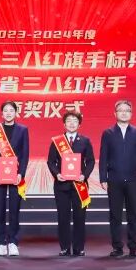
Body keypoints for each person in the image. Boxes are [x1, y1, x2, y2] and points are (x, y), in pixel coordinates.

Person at [98, 100, 136, 258]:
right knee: (115, 215)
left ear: (131, 114)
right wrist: (103, 178)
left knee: (134, 214)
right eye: (121, 110)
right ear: (115, 113)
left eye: (127, 110)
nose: (124, 113)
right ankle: (117, 247)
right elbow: (103, 156)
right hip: (114, 179)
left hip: (133, 178)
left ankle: (133, 247)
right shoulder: (108, 133)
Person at [46, 110, 95, 257]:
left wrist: (84, 175)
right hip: (62, 185)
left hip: (80, 185)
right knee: (63, 217)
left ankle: (79, 248)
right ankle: (65, 248)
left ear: (79, 124)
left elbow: (91, 161)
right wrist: (57, 174)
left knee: (80, 217)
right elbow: (50, 161)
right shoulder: (57, 141)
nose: (71, 123)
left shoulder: (85, 141)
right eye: (68, 121)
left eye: (75, 121)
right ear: (64, 124)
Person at [0, 100, 29, 257]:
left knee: (14, 209)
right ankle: (0, 242)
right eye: (5, 110)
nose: (8, 113)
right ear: (1, 113)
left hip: (16, 175)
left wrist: (21, 173)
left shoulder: (23, 130)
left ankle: (12, 242)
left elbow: (25, 154)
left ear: (16, 112)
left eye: (11, 110)